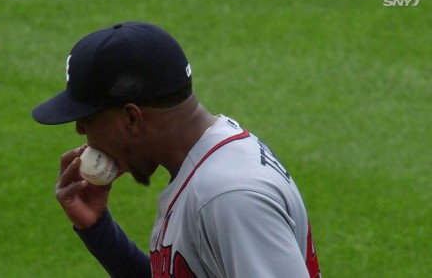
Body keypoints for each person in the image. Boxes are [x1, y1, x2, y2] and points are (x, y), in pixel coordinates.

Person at [32, 21, 321, 278]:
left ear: (132, 118)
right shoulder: (210, 164)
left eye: (87, 119)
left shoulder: (228, 195)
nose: (80, 131)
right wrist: (99, 231)